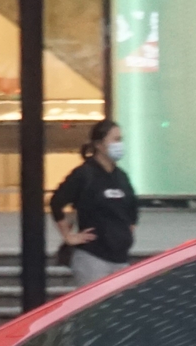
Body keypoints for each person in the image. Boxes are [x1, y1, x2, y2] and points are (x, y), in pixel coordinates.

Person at [50, 119, 139, 286]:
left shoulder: (121, 177)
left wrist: (123, 234)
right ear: (99, 144)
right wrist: (68, 236)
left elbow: (132, 211)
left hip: (120, 258)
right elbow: (56, 202)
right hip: (93, 258)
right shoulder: (84, 174)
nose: (120, 144)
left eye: (121, 139)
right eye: (115, 139)